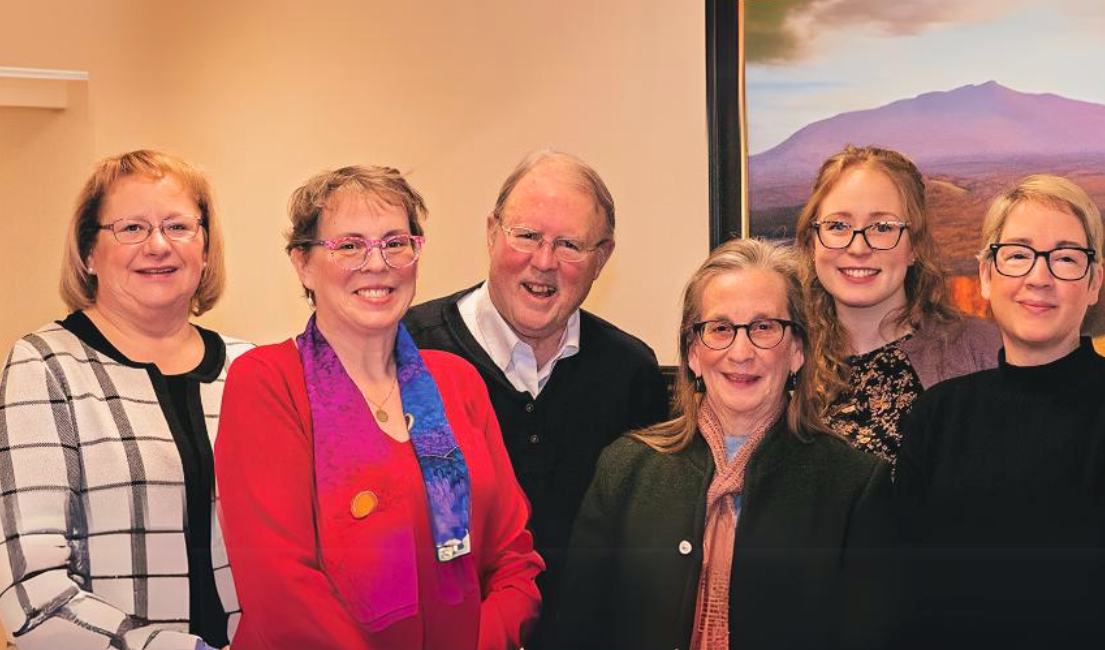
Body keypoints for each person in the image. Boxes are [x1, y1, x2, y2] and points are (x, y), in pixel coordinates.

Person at [215, 166, 543, 650]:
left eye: (395, 242)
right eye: (349, 245)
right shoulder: (266, 383)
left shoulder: (458, 383)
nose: (378, 263)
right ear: (303, 264)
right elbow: (280, 588)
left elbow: (514, 560)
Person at [894, 175, 1105, 650]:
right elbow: (906, 595)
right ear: (987, 276)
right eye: (1018, 254)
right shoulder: (939, 414)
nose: (1040, 276)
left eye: (1067, 258)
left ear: (1094, 283)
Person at [556, 239, 895, 650]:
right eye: (719, 329)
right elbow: (576, 630)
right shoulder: (625, 470)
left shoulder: (854, 486)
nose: (740, 351)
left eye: (764, 328)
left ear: (797, 351)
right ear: (693, 353)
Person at [403, 149, 669, 645]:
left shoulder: (631, 374)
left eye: (569, 244)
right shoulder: (407, 353)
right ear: (491, 232)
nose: (543, 262)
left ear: (602, 257)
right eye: (526, 236)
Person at [0, 150, 246, 650]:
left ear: (205, 246)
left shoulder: (251, 368)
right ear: (89, 252)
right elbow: (32, 593)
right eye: (131, 228)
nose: (158, 246)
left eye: (178, 226)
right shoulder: (45, 366)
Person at [795, 145, 1000, 463]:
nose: (859, 247)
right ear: (812, 243)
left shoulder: (985, 355)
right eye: (838, 226)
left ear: (914, 246)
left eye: (883, 227)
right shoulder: (782, 363)